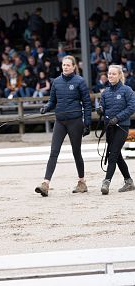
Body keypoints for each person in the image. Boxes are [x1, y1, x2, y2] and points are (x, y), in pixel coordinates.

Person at [35, 55, 92, 197]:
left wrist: (87, 123)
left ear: (73, 67)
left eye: (68, 65)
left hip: (75, 121)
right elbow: (52, 101)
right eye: (64, 65)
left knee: (76, 152)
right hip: (60, 121)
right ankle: (45, 183)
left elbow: (87, 103)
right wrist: (46, 108)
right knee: (54, 152)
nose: (65, 67)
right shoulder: (56, 82)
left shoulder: (80, 81)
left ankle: (82, 182)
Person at [97, 65, 135, 195]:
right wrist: (100, 109)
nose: (110, 76)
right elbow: (102, 105)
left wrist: (118, 118)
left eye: (113, 74)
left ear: (119, 76)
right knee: (117, 155)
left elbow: (131, 107)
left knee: (113, 155)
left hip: (122, 127)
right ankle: (129, 181)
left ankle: (106, 182)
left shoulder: (127, 90)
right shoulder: (105, 92)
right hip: (109, 127)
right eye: (109, 74)